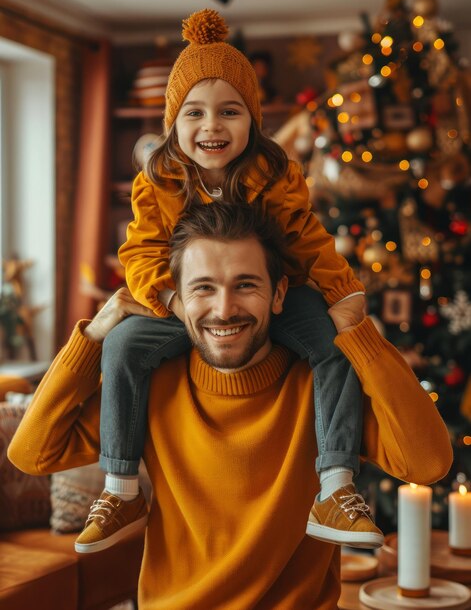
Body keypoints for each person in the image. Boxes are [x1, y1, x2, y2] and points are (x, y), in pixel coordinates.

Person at [9, 202, 452, 610]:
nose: (224, 309)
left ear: (279, 295)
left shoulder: (322, 390)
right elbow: (31, 452)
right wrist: (91, 338)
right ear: (175, 301)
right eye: (203, 288)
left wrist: (359, 334)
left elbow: (428, 462)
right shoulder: (152, 384)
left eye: (245, 285)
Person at [88, 7, 373, 555]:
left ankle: (336, 484)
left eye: (229, 111)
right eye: (194, 113)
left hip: (274, 299)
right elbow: (142, 249)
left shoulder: (274, 172)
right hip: (184, 305)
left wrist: (346, 292)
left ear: (253, 120)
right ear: (174, 122)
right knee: (122, 345)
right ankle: (120, 486)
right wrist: (168, 296)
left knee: (337, 347)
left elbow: (306, 237)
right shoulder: (159, 179)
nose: (212, 126)